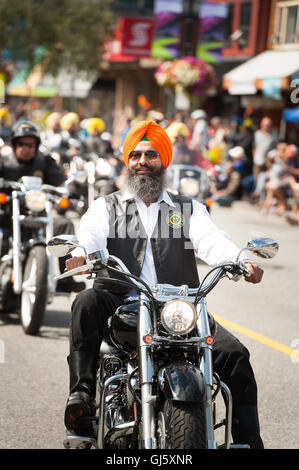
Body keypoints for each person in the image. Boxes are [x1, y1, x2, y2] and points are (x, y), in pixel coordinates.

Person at [63, 120, 265, 448]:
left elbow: (212, 239)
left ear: (164, 161)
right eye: (136, 155)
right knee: (86, 302)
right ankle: (82, 396)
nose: (143, 161)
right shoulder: (107, 206)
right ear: (127, 161)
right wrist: (79, 252)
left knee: (235, 355)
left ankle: (249, 442)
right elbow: (89, 235)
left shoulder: (187, 209)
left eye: (151, 154)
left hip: (178, 308)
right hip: (121, 300)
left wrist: (241, 260)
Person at [0, 121, 85, 293]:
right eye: (22, 143)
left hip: (38, 213)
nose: (26, 148)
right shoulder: (4, 161)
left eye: (31, 144)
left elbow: (60, 179)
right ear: (15, 144)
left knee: (64, 224)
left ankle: (66, 279)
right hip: (9, 213)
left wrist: (69, 189)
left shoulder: (43, 161)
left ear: (36, 145)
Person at [253, 117, 278, 184]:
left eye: (268, 125)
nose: (267, 126)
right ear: (261, 125)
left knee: (267, 180)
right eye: (266, 125)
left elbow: (276, 147)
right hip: (258, 160)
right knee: (257, 179)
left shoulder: (274, 135)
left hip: (269, 161)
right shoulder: (257, 134)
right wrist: (254, 158)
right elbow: (254, 147)